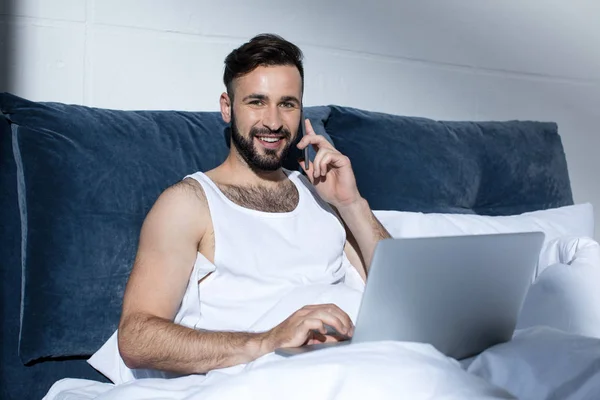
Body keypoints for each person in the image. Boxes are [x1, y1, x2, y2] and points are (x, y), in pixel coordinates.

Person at [116, 33, 391, 377]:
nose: (273, 122)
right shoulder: (189, 204)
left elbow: (404, 302)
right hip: (255, 378)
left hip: (351, 364)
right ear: (227, 107)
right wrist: (267, 341)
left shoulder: (322, 196)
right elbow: (137, 338)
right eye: (257, 102)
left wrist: (352, 204)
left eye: (287, 104)